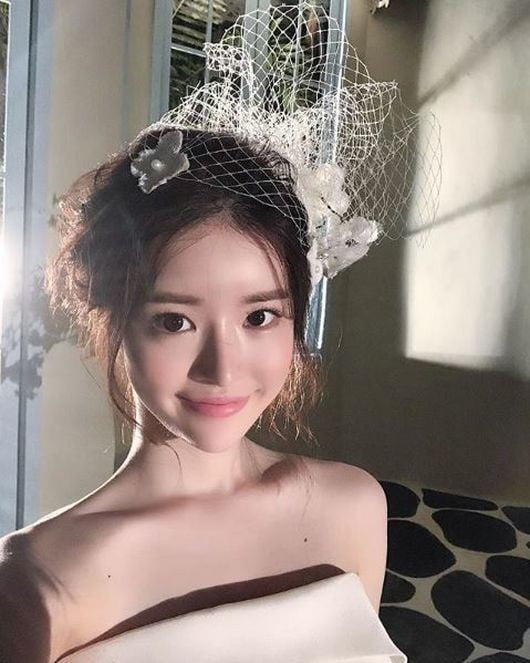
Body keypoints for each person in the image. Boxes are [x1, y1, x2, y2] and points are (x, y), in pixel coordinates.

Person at [0, 3, 442, 660]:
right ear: (112, 315)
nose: (223, 367)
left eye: (259, 316)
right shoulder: (36, 585)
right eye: (175, 320)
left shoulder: (352, 506)